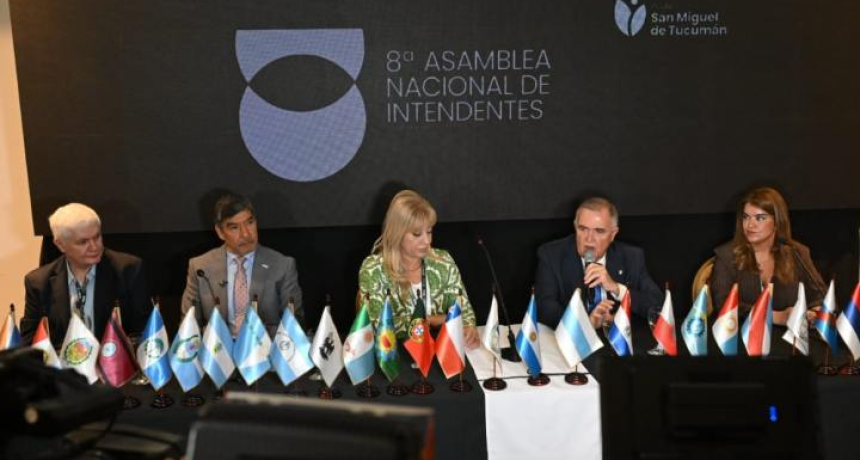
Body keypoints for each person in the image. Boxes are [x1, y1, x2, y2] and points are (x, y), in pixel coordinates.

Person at [358, 190, 479, 348]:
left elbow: (465, 312)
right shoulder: (373, 269)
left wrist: (468, 328)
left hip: (439, 352)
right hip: (394, 357)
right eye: (417, 234)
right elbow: (376, 327)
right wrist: (438, 319)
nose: (427, 240)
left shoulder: (443, 261)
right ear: (397, 233)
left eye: (429, 231)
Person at [22, 203, 150, 348]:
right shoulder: (38, 282)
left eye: (97, 237)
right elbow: (30, 340)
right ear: (60, 244)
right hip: (63, 368)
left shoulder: (128, 270)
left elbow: (145, 331)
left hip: (114, 365)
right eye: (83, 242)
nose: (95, 247)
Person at [181, 193, 303, 336]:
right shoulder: (200, 267)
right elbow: (188, 327)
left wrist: (254, 336)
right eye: (234, 227)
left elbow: (295, 325)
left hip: (266, 352)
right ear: (220, 232)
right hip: (217, 353)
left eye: (250, 223)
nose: (246, 234)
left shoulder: (282, 266)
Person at [534, 197, 663, 329]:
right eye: (583, 229)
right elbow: (545, 310)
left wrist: (617, 289)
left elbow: (658, 305)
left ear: (613, 234)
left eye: (599, 231)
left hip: (617, 339)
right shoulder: (551, 255)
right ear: (575, 227)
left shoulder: (631, 257)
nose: (589, 239)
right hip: (574, 341)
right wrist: (586, 325)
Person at [710, 187, 826, 325]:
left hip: (789, 340)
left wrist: (815, 312)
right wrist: (777, 317)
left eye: (760, 218)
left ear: (777, 222)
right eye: (746, 217)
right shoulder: (726, 255)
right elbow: (724, 305)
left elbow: (820, 295)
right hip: (742, 339)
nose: (750, 225)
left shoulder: (796, 252)